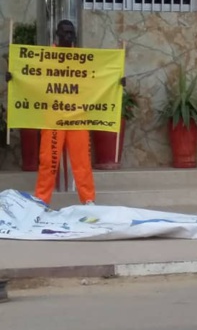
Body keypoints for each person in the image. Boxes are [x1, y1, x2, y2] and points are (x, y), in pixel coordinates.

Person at [5, 19, 123, 206]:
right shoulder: (45, 58)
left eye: (71, 33)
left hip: (77, 117)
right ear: (58, 35)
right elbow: (32, 79)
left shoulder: (82, 60)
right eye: (66, 32)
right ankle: (42, 201)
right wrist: (16, 78)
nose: (69, 36)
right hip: (53, 117)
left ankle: (88, 200)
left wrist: (116, 82)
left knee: (82, 161)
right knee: (48, 161)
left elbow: (97, 80)